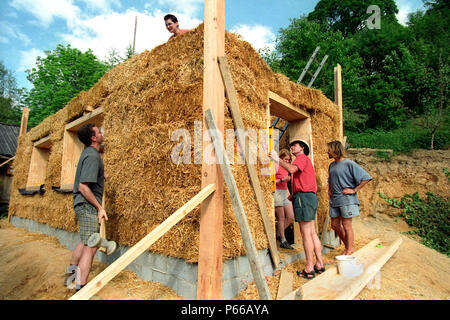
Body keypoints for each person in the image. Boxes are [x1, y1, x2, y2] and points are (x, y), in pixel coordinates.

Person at [270, 138, 324, 279]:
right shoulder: (306, 160)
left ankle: (309, 268)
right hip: (308, 197)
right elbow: (311, 184)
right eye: (291, 145)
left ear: (302, 148)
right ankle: (319, 264)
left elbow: (292, 170)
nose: (292, 147)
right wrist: (294, 194)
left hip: (304, 198)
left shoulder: (301, 158)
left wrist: (277, 159)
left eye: (295, 145)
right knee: (312, 233)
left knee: (306, 234)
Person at [65, 123, 107, 291]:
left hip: (82, 205)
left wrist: (100, 174)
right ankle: (80, 289)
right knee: (91, 246)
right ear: (93, 138)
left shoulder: (90, 154)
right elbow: (83, 186)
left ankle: (70, 279)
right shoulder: (92, 157)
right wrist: (99, 208)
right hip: (88, 206)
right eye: (99, 132)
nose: (102, 133)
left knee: (84, 242)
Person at [327, 141, 372, 255]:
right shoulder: (331, 165)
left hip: (346, 200)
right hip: (335, 200)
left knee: (346, 226)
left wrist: (354, 190)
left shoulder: (349, 163)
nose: (327, 151)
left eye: (329, 149)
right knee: (335, 225)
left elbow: (366, 177)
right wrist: (329, 189)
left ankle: (349, 249)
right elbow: (331, 179)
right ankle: (348, 246)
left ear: (335, 150)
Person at [274, 149, 295, 249]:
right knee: (281, 217)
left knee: (290, 216)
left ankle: (278, 232)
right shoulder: (275, 166)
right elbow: (271, 182)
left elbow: (286, 184)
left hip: (284, 192)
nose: (287, 162)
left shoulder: (286, 168)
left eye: (289, 160)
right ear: (281, 158)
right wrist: (282, 180)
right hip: (277, 192)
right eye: (286, 159)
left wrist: (289, 194)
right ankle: (283, 240)